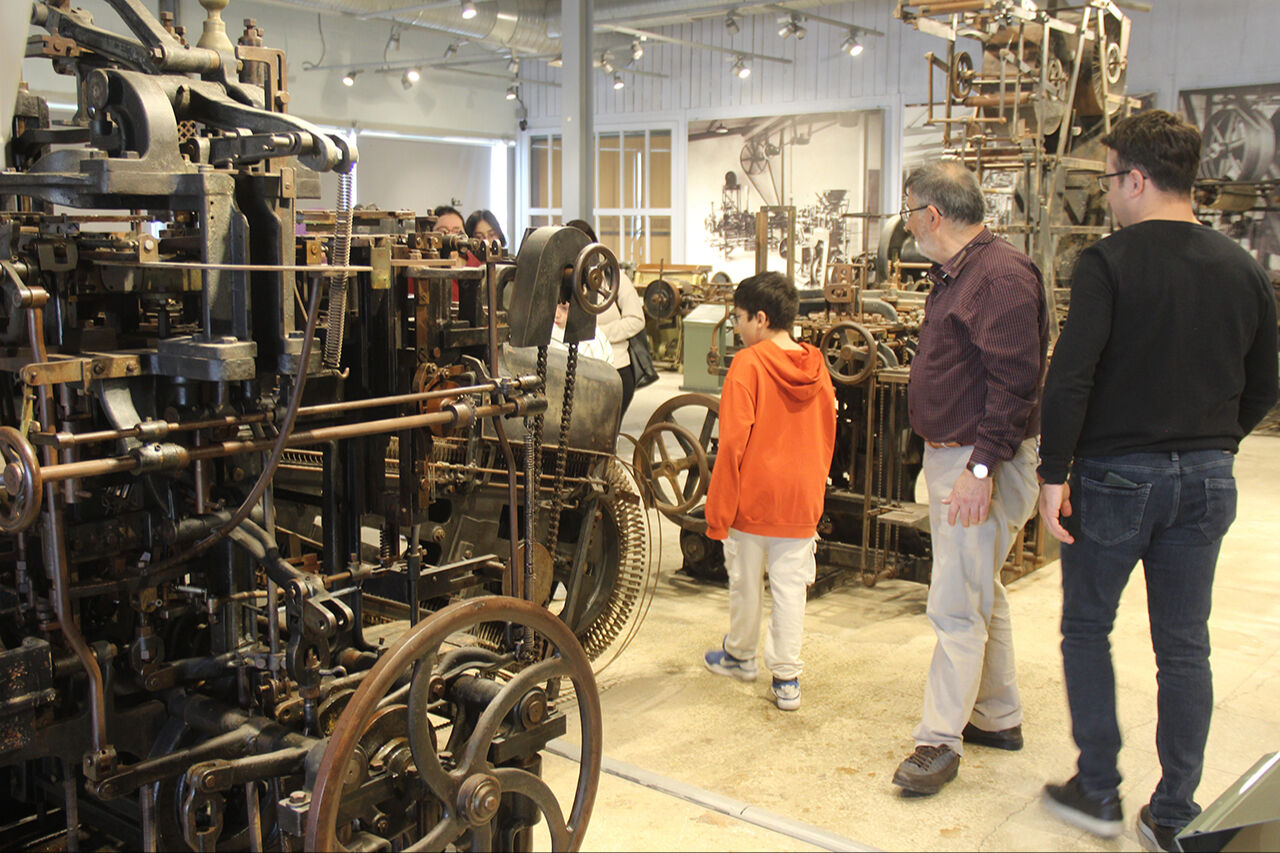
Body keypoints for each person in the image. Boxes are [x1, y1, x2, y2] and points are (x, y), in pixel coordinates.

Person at [1037, 110, 1279, 851]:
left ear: (1136, 179)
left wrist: (1053, 472)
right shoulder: (1243, 267)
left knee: (1086, 627)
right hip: (1207, 481)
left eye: (1111, 179)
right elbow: (1266, 380)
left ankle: (1099, 789)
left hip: (1116, 477)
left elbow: (1071, 376)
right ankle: (1175, 811)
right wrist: (1214, 443)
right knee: (1184, 647)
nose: (1108, 194)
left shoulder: (1109, 263)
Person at [893, 160, 1048, 795]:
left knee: (956, 602)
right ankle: (997, 715)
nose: (905, 224)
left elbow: (1015, 384)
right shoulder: (960, 272)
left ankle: (938, 741)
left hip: (981, 458)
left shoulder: (1000, 277)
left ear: (932, 214)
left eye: (907, 212)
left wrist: (980, 467)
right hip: (961, 455)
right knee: (982, 587)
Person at [701, 272, 836, 712]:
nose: (738, 328)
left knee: (745, 582)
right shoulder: (818, 368)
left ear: (761, 318)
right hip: (800, 502)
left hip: (752, 500)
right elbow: (828, 435)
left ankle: (740, 656)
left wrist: (718, 510)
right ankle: (787, 679)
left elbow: (732, 444)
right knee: (791, 589)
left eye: (739, 318)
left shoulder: (749, 365)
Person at [565, 219, 646, 416]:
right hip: (576, 370)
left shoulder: (615, 279)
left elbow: (637, 320)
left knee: (606, 437)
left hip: (615, 369)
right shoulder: (562, 285)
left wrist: (596, 335)